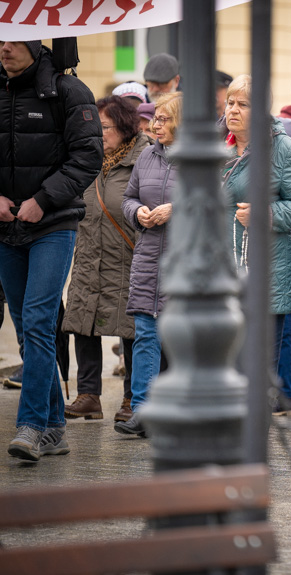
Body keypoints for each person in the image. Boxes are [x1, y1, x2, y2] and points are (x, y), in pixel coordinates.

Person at [1, 40, 102, 460]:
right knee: (27, 328)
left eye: (13, 41)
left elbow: (88, 155)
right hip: (5, 228)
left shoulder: (68, 91)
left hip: (53, 224)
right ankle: (56, 427)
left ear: (35, 43)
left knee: (40, 321)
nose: (4, 48)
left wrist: (43, 199)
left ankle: (32, 426)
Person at [222, 75, 291, 416]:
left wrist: (266, 213)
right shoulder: (218, 146)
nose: (233, 109)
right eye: (231, 102)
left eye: (243, 104)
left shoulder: (282, 149)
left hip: (266, 275)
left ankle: (250, 452)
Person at [62, 96, 150, 424]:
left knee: (132, 330)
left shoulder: (145, 158)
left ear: (126, 128)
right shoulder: (86, 158)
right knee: (84, 323)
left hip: (129, 259)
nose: (98, 133)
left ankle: (131, 397)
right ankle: (88, 396)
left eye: (106, 127)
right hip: (88, 257)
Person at [116, 93, 182, 437]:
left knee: (180, 340)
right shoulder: (146, 156)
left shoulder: (203, 161)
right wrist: (137, 213)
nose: (155, 124)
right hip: (147, 258)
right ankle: (142, 410)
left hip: (182, 262)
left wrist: (177, 209)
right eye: (155, 118)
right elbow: (128, 198)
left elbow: (215, 205)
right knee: (145, 336)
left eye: (164, 119)